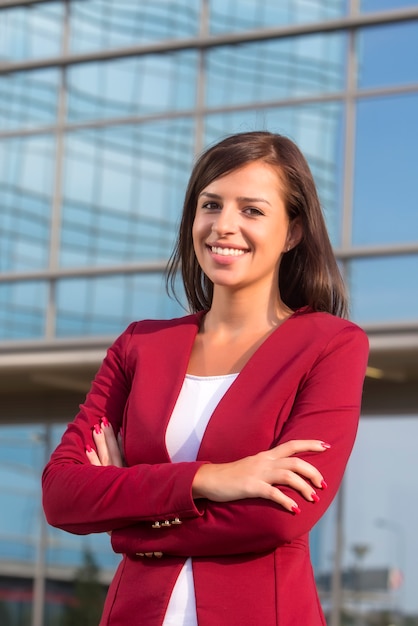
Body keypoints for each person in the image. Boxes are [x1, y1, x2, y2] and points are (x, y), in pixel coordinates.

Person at [42, 131, 369, 626]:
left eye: (252, 210)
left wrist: (125, 519)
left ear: (293, 232)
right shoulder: (140, 345)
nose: (223, 226)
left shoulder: (331, 345)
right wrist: (212, 478)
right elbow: (62, 493)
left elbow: (280, 515)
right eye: (210, 205)